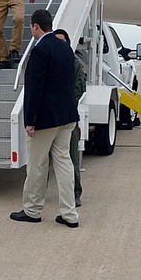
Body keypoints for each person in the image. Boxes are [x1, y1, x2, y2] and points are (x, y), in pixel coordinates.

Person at [11, 10, 80, 228]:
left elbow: (34, 88)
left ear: (36, 26)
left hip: (46, 119)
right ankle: (70, 214)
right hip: (67, 116)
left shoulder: (40, 50)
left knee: (37, 164)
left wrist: (30, 120)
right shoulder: (65, 48)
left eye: (31, 27)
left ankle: (32, 210)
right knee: (64, 163)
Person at [53, 28, 86, 207]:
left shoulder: (75, 63)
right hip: (50, 118)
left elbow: (79, 89)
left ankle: (75, 193)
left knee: (71, 156)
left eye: (62, 41)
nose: (59, 44)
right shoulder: (49, 61)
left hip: (67, 117)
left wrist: (59, 103)